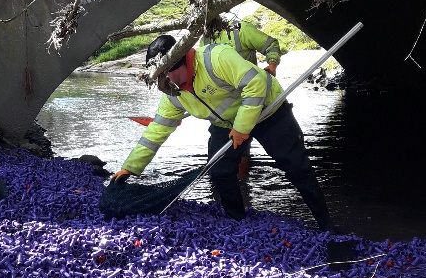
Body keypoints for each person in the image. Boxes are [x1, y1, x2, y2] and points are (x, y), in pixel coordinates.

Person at [113, 35, 335, 230]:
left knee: (297, 167)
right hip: (226, 124)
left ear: (179, 64)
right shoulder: (173, 92)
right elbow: (157, 130)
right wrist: (130, 168)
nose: (163, 83)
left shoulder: (216, 58)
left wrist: (242, 127)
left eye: (164, 75)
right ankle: (237, 221)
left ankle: (325, 224)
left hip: (269, 111)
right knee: (220, 172)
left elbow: (256, 83)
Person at [198, 17, 282, 180]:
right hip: (224, 109)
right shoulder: (205, 38)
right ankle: (222, 190)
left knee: (243, 148)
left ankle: (242, 186)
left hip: (250, 101)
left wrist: (272, 65)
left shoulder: (242, 30)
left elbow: (271, 44)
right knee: (217, 156)